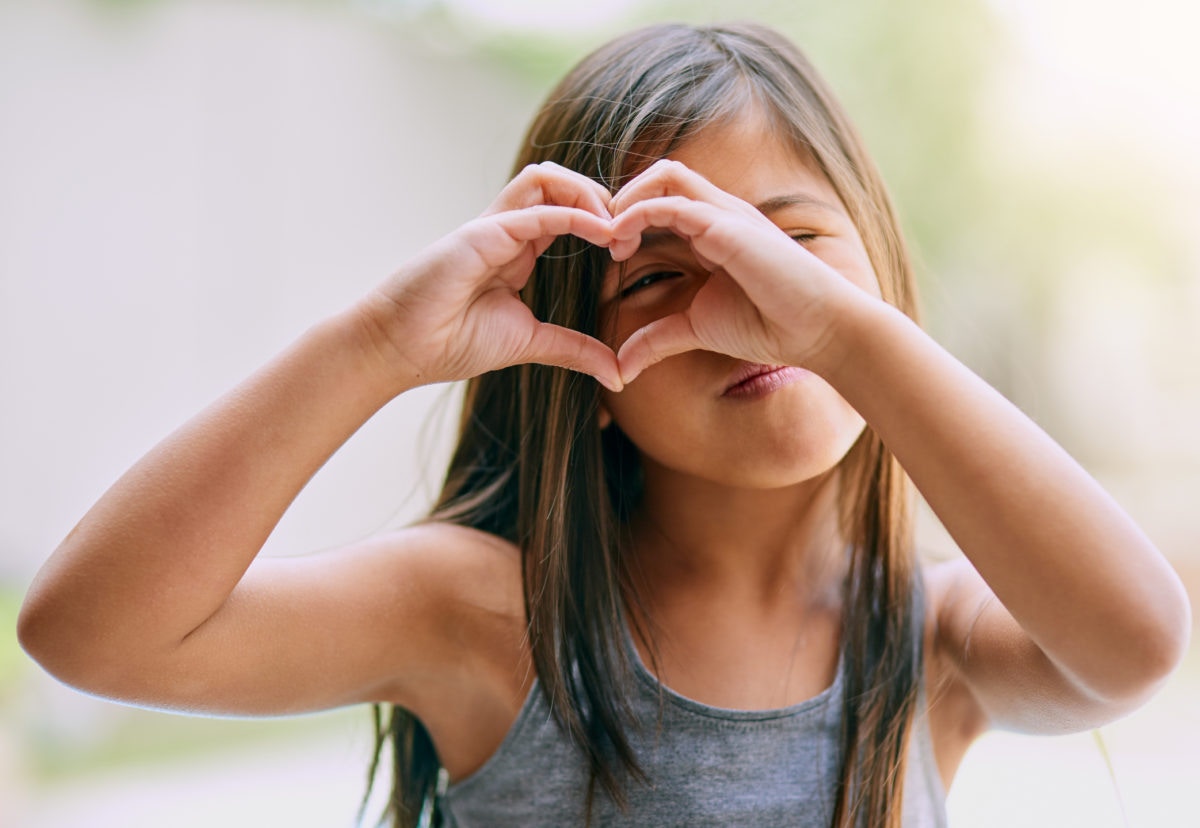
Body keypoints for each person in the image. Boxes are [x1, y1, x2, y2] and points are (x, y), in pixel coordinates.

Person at [16, 21, 1191, 828]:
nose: (740, 317)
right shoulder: (490, 619)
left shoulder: (933, 639)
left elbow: (1137, 640)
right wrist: (376, 344)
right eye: (656, 278)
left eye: (788, 250)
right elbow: (93, 634)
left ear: (876, 270)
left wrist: (846, 339)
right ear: (578, 359)